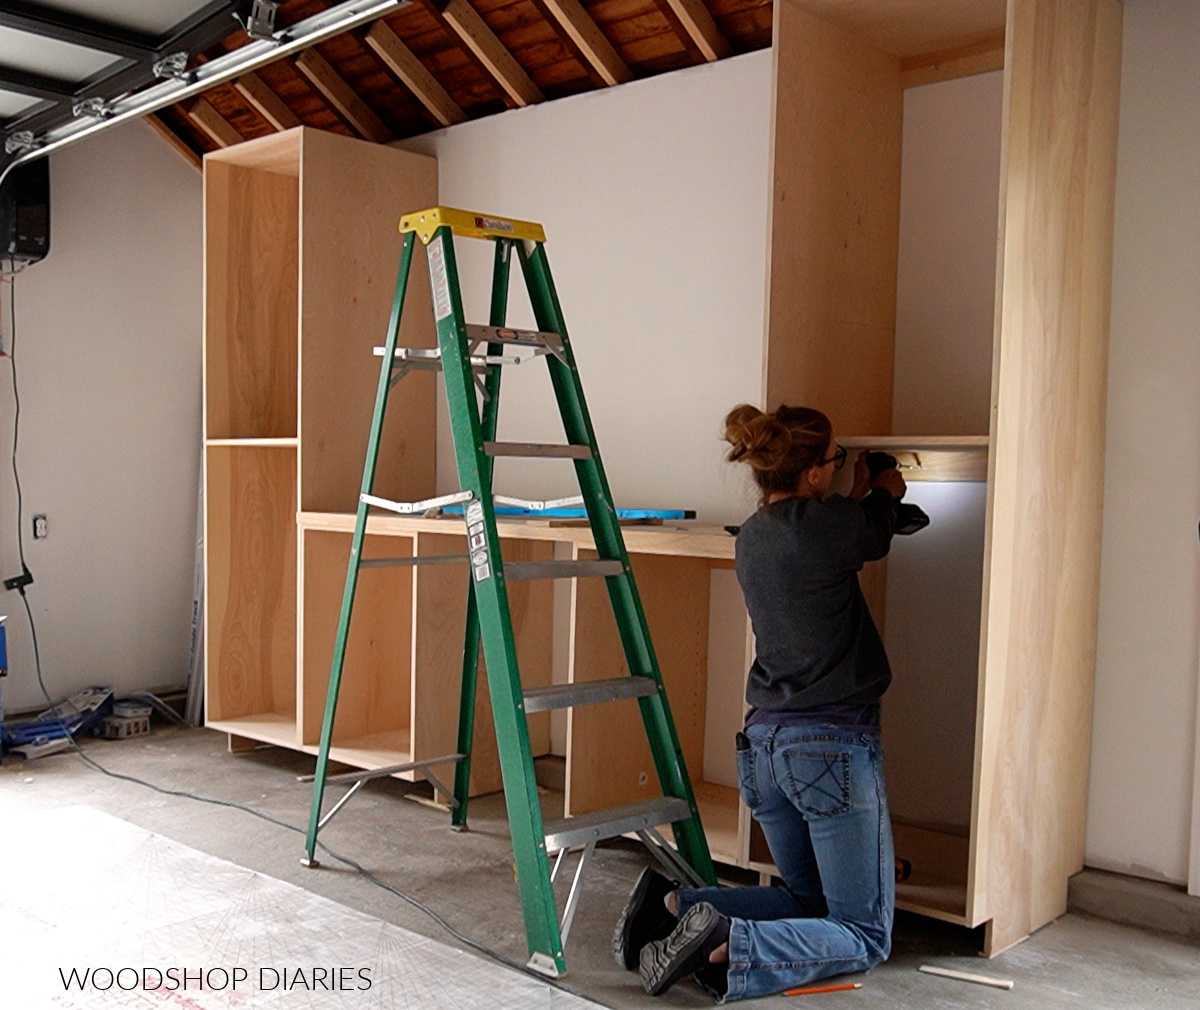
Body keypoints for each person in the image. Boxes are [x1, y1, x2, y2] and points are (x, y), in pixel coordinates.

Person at [612, 404, 905, 1001]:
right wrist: (885, 488)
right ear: (818, 475)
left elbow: (835, 527)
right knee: (864, 933)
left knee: (805, 901)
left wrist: (852, 485)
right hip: (830, 752)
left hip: (764, 751)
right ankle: (735, 943)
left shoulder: (753, 536)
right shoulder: (832, 528)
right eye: (833, 459)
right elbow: (873, 531)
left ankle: (672, 908)